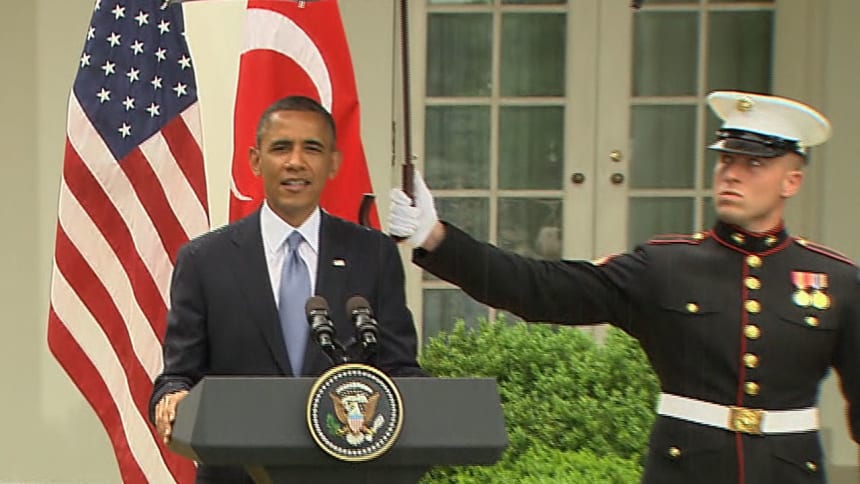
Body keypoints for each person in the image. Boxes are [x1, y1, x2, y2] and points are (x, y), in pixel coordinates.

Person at [389, 91, 860, 484]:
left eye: (754, 163)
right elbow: (541, 289)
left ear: (791, 180)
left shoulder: (837, 281)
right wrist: (436, 238)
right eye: (726, 160)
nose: (732, 173)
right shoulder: (667, 266)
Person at [150, 95, 425, 483]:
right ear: (255, 160)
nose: (295, 162)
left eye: (311, 148)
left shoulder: (373, 254)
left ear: (333, 163)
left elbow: (399, 370)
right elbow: (179, 375)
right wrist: (173, 397)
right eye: (281, 148)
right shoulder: (204, 260)